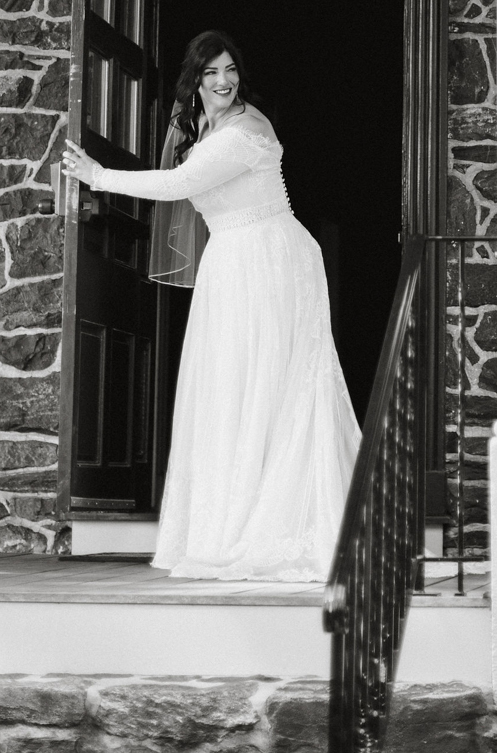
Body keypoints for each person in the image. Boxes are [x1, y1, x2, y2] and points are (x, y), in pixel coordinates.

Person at [62, 29, 360, 581]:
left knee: (269, 384)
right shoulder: (203, 126)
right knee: (231, 387)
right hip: (231, 258)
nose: (224, 81)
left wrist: (99, 176)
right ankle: (232, 519)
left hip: (267, 256)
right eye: (211, 73)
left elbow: (181, 184)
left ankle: (279, 521)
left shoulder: (245, 129)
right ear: (194, 81)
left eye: (230, 70)